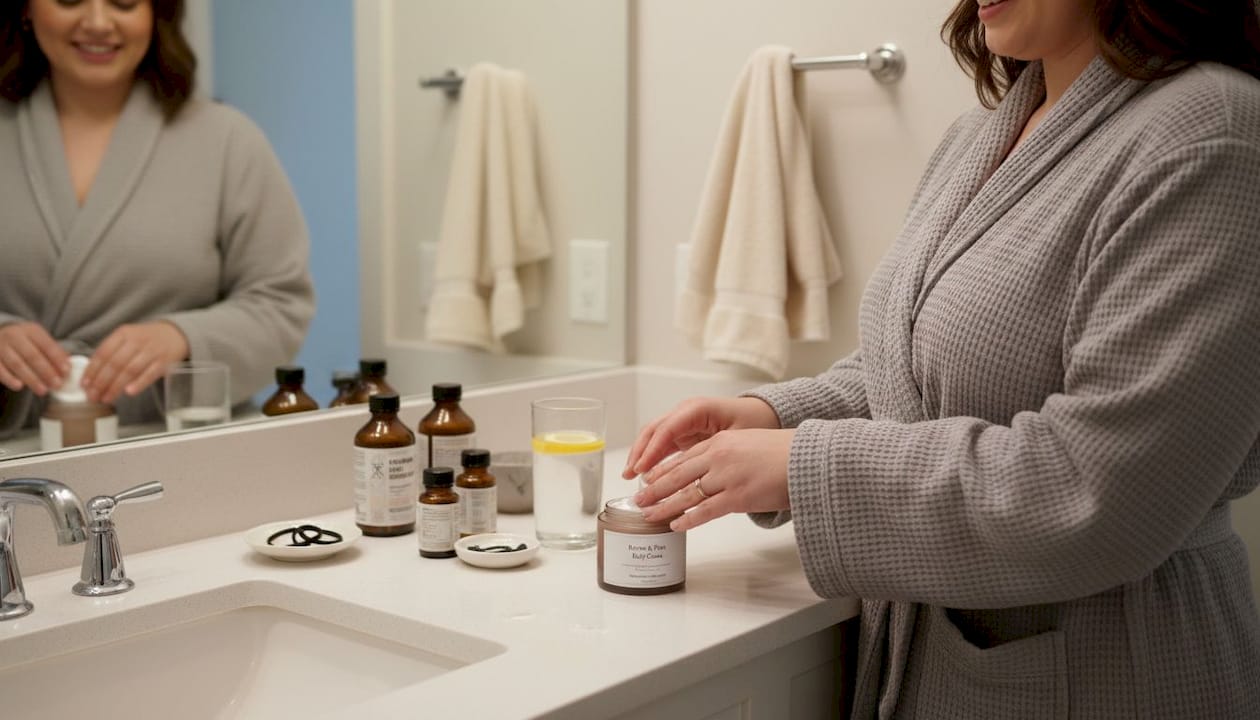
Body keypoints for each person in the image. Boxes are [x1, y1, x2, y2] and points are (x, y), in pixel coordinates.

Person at [625, 1, 1260, 717]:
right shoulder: (977, 137)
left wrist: (803, 464)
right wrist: (768, 414)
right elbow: (909, 372)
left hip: (1118, 668)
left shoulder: (1214, 133)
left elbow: (1098, 488)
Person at [0, 0, 314, 434]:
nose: (97, 22)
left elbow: (281, 303)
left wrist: (183, 339)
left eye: (124, 2)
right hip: (15, 452)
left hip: (177, 447)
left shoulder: (227, 140)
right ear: (27, 10)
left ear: (157, 14)